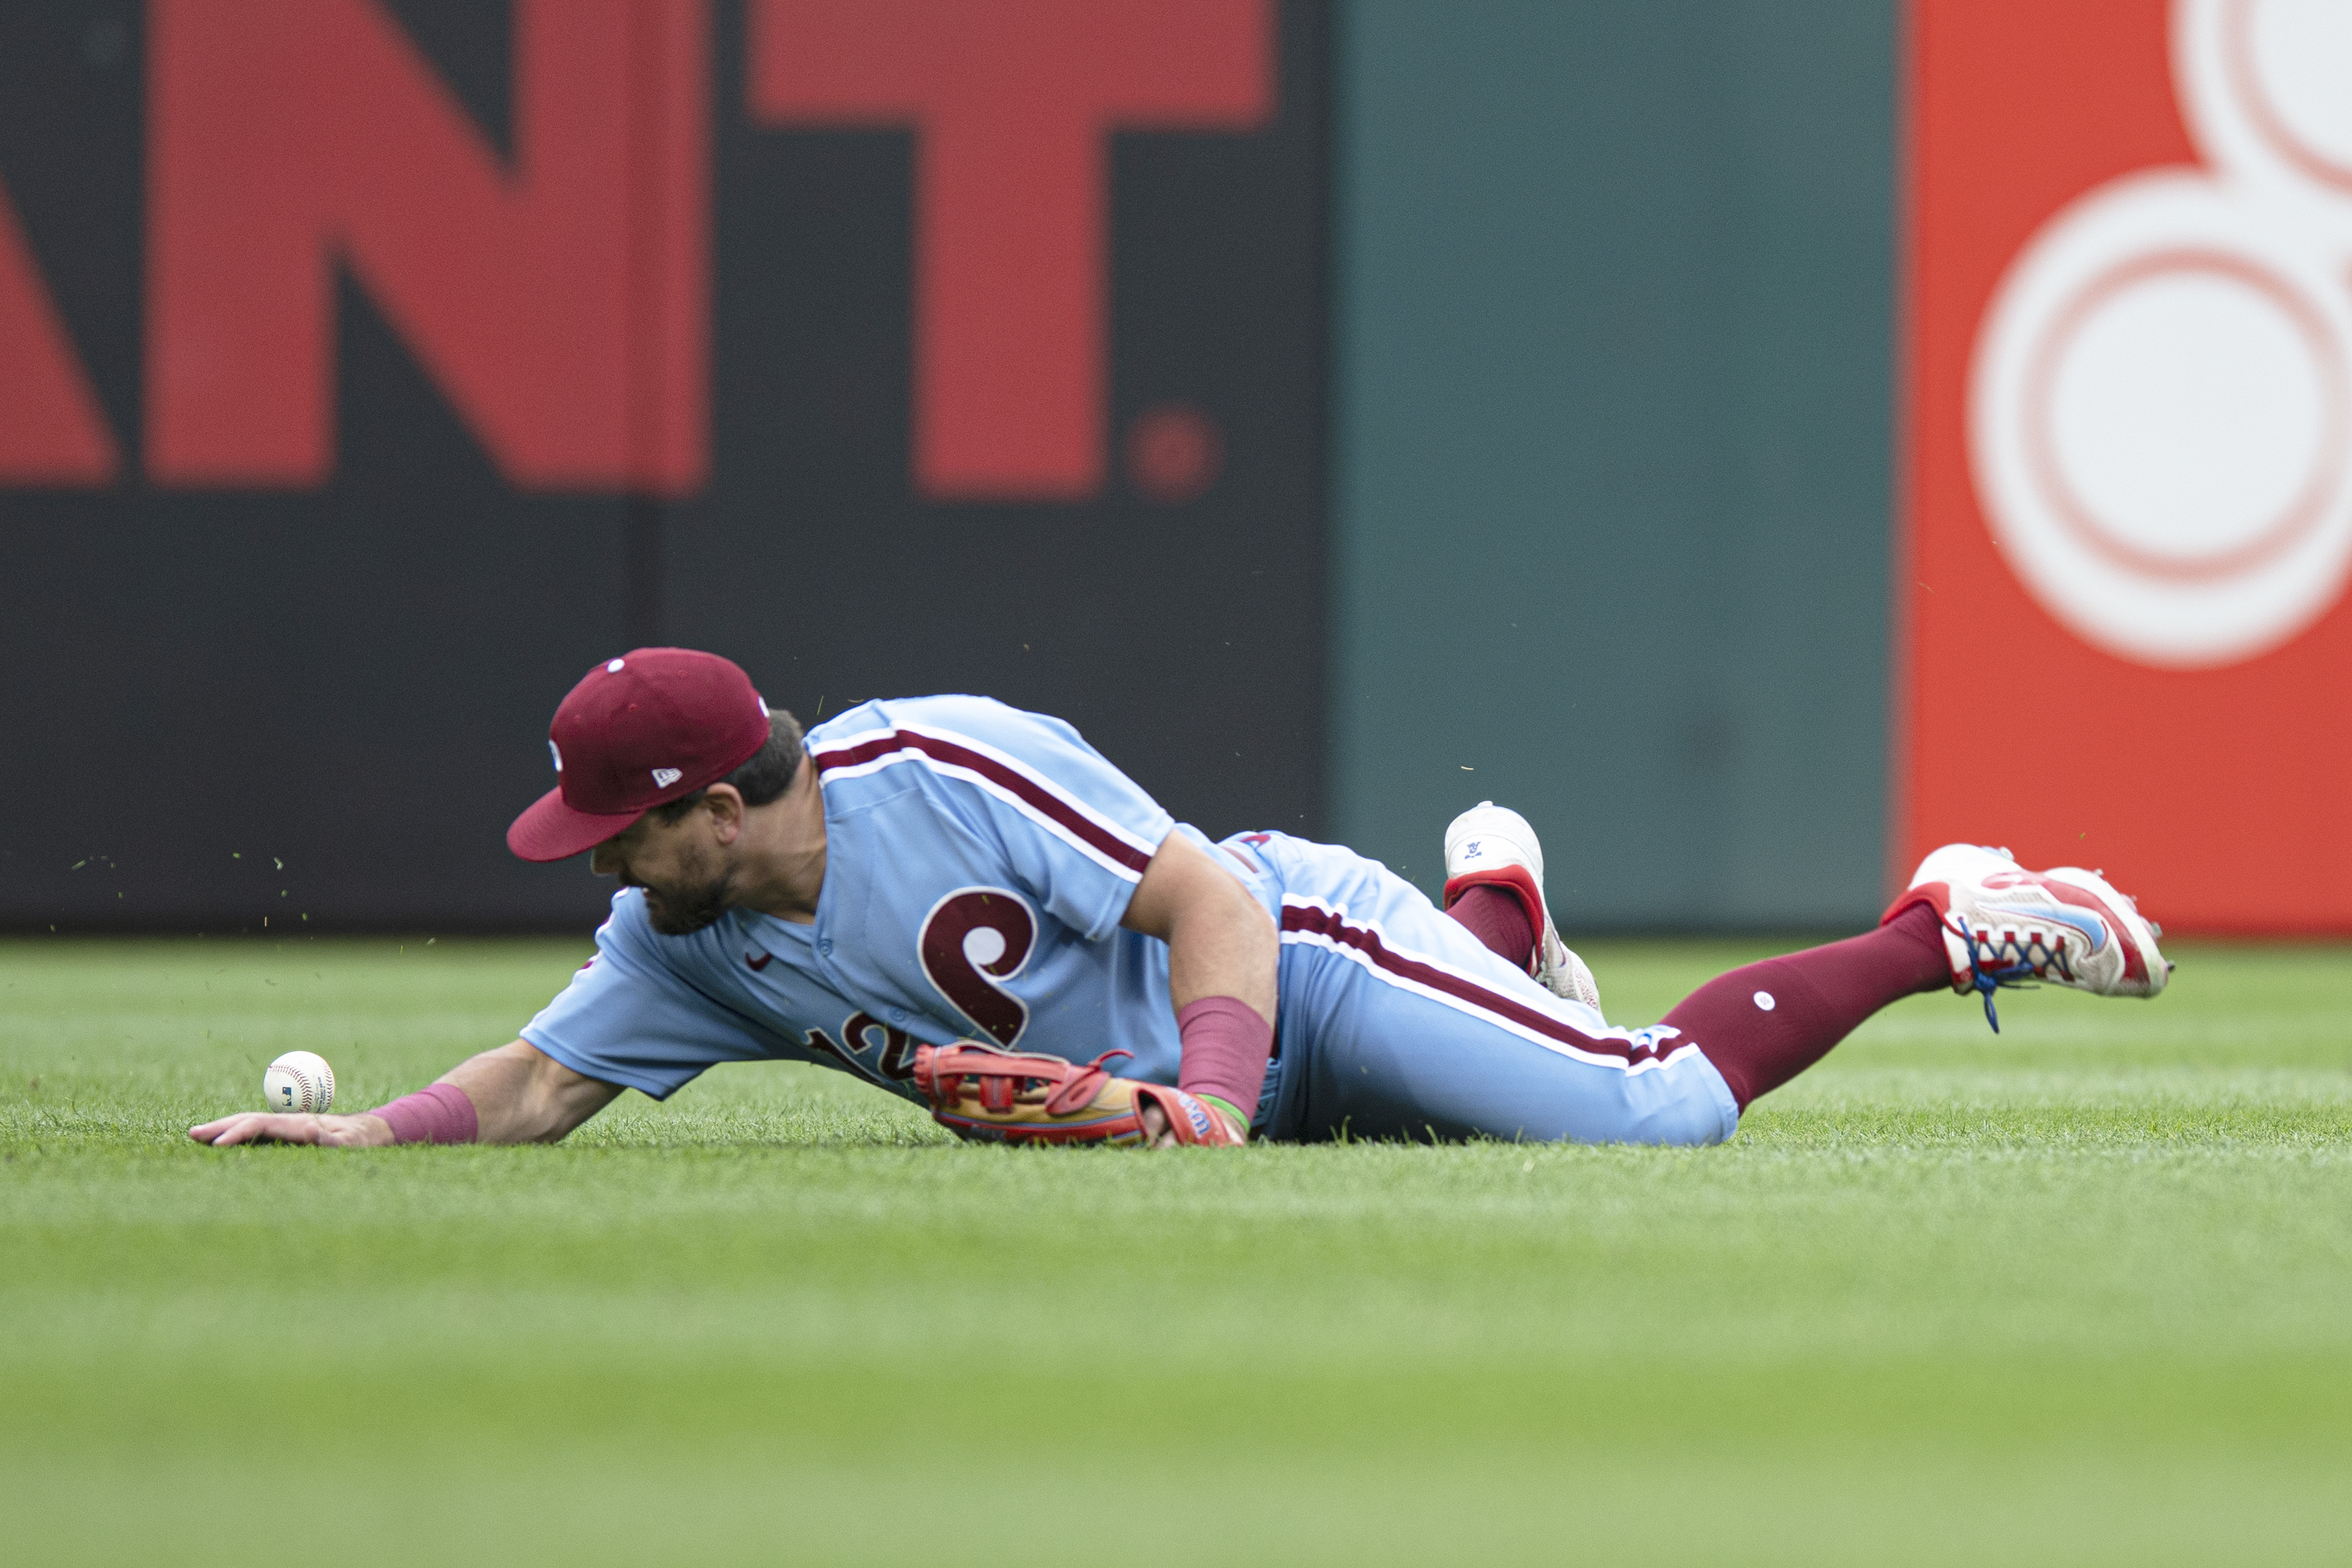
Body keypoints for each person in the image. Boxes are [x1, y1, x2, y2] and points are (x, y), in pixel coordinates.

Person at [189, 648, 2172, 1151]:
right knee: (1464, 1106)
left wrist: (1215, 1099)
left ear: (714, 803)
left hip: (1289, 971)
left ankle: (1944, 919)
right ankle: (1497, 920)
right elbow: (540, 1087)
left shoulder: (938, 766)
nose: (599, 867)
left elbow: (1212, 902)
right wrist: (365, 1130)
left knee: (1646, 1111)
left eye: (620, 831)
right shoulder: (686, 944)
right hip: (1209, 1097)